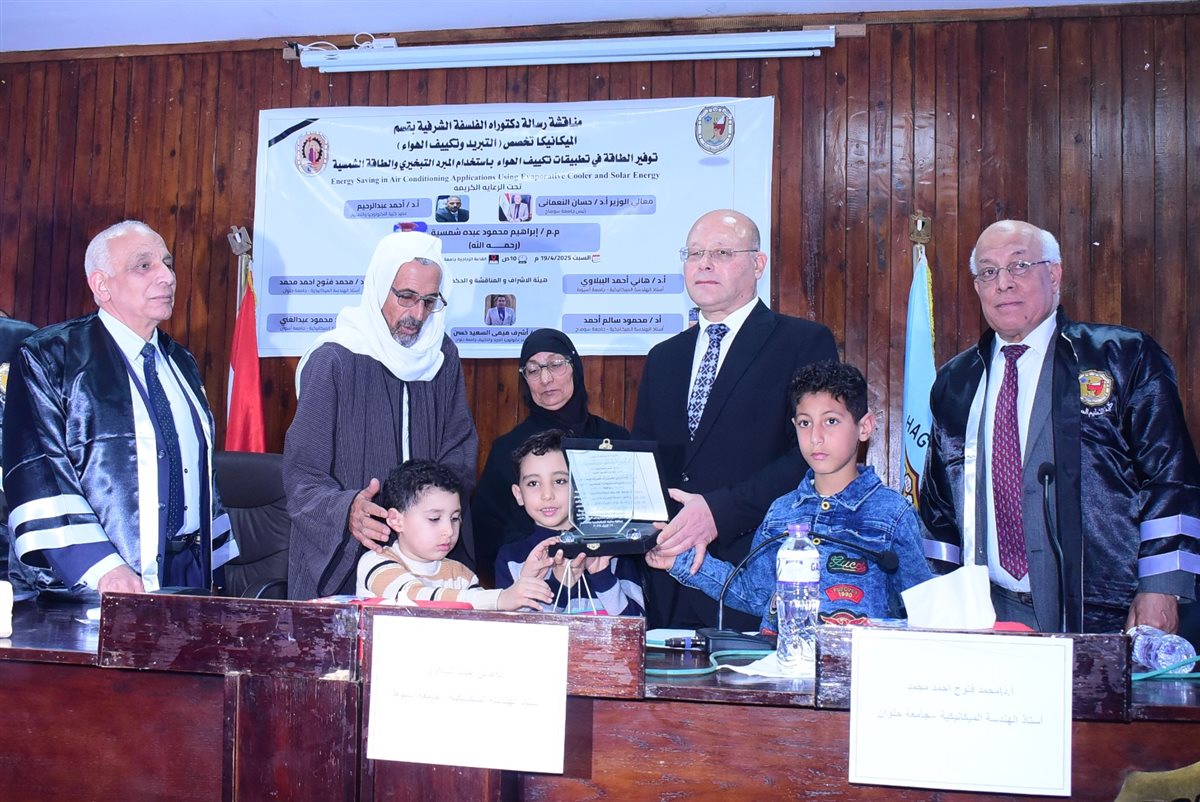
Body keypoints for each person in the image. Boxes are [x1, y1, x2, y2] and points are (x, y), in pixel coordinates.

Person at [920, 219, 1200, 634]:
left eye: (1019, 265)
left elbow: (1170, 477)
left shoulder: (1122, 358)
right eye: (989, 272)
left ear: (1054, 274)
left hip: (1105, 608)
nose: (1003, 283)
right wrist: (941, 599)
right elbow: (939, 507)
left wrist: (1161, 586)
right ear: (977, 287)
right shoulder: (955, 382)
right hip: (987, 615)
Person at [3, 221, 237, 600]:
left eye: (167, 263)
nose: (167, 277)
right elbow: (38, 469)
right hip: (96, 584)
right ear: (101, 285)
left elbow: (201, 475)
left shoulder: (181, 362)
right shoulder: (51, 357)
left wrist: (214, 567)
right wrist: (102, 567)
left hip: (189, 574)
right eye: (144, 266)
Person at [635, 209, 838, 630]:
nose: (704, 264)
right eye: (694, 254)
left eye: (722, 253)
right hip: (667, 577)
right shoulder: (663, 358)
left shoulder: (802, 343)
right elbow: (645, 465)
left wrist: (718, 512)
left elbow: (809, 457)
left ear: (758, 264)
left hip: (752, 575)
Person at [648, 362, 931, 630]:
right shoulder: (781, 511)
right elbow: (753, 594)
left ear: (864, 427)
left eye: (831, 421)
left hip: (859, 662)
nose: (816, 437)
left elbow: (921, 610)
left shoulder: (892, 514)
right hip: (783, 661)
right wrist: (678, 559)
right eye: (805, 423)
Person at [285, 231, 478, 600]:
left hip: (427, 562)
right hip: (348, 554)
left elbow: (459, 449)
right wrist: (347, 510)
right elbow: (302, 475)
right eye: (406, 296)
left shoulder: (441, 356)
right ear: (378, 287)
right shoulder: (334, 359)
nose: (417, 314)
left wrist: (430, 515)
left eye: (429, 301)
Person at [471, 328, 629, 585]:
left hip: (610, 580)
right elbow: (487, 533)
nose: (545, 379)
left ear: (575, 367)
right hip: (533, 583)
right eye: (533, 370)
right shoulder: (507, 449)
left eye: (555, 364)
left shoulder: (615, 440)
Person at [357, 460, 550, 609]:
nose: (449, 531)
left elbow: (488, 622)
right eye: (434, 518)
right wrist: (500, 598)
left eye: (455, 518)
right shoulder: (375, 562)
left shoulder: (461, 575)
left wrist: (524, 587)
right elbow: (414, 598)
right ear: (396, 520)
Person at [495, 430, 645, 616]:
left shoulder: (613, 552)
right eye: (533, 483)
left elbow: (637, 625)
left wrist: (602, 576)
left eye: (560, 481)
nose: (547, 495)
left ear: (581, 486)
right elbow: (516, 630)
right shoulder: (512, 559)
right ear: (518, 494)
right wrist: (559, 584)